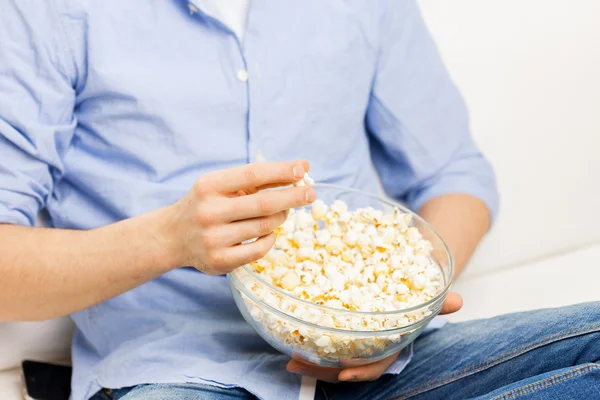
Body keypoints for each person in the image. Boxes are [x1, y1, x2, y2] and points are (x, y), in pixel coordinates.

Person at [0, 1, 597, 399]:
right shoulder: (47, 14)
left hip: (379, 367)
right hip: (176, 369)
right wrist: (168, 240)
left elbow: (455, 174)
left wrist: (394, 305)